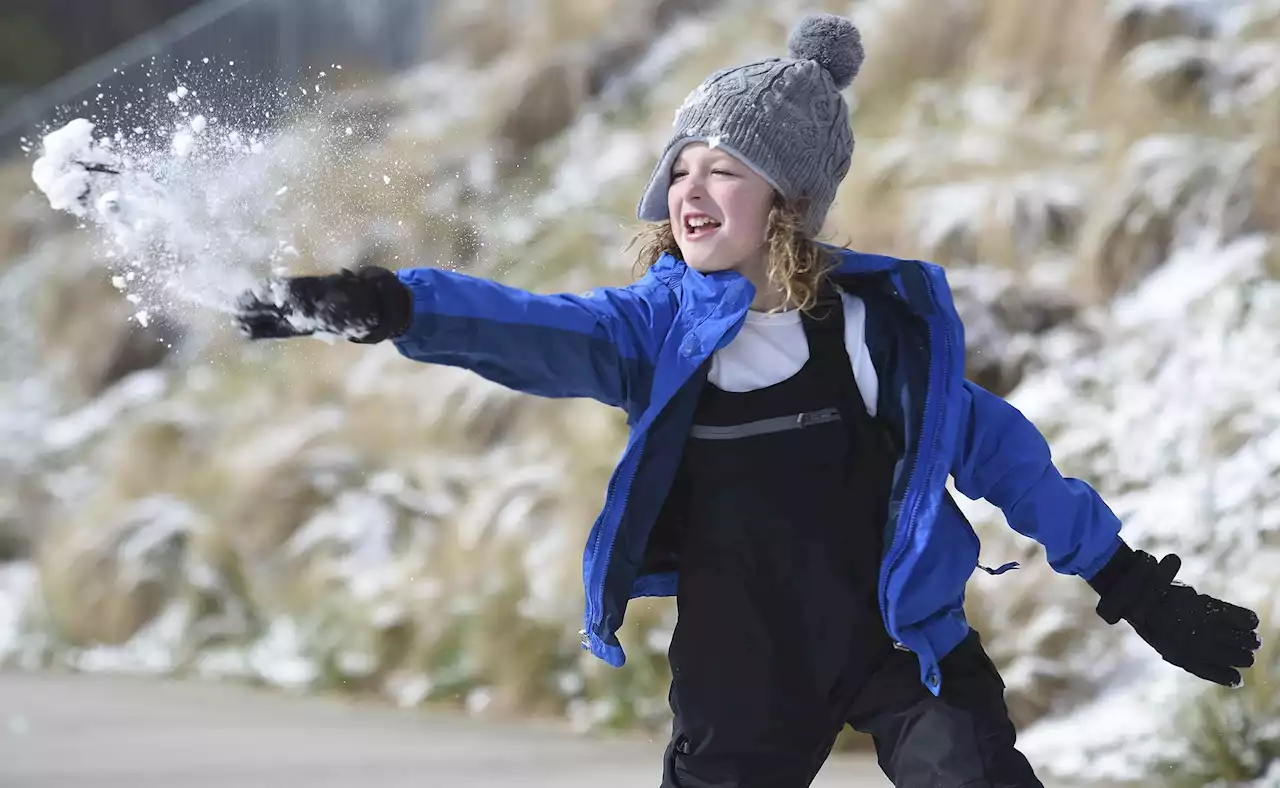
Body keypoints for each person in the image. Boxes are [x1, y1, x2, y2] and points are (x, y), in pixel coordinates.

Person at [231, 13, 1261, 788]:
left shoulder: (871, 339)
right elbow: (530, 330)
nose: (690, 189)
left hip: (899, 648)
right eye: (679, 168)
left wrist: (1131, 584)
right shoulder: (651, 333)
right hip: (739, 666)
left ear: (792, 201)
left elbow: (1011, 463)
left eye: (725, 169)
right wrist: (392, 303)